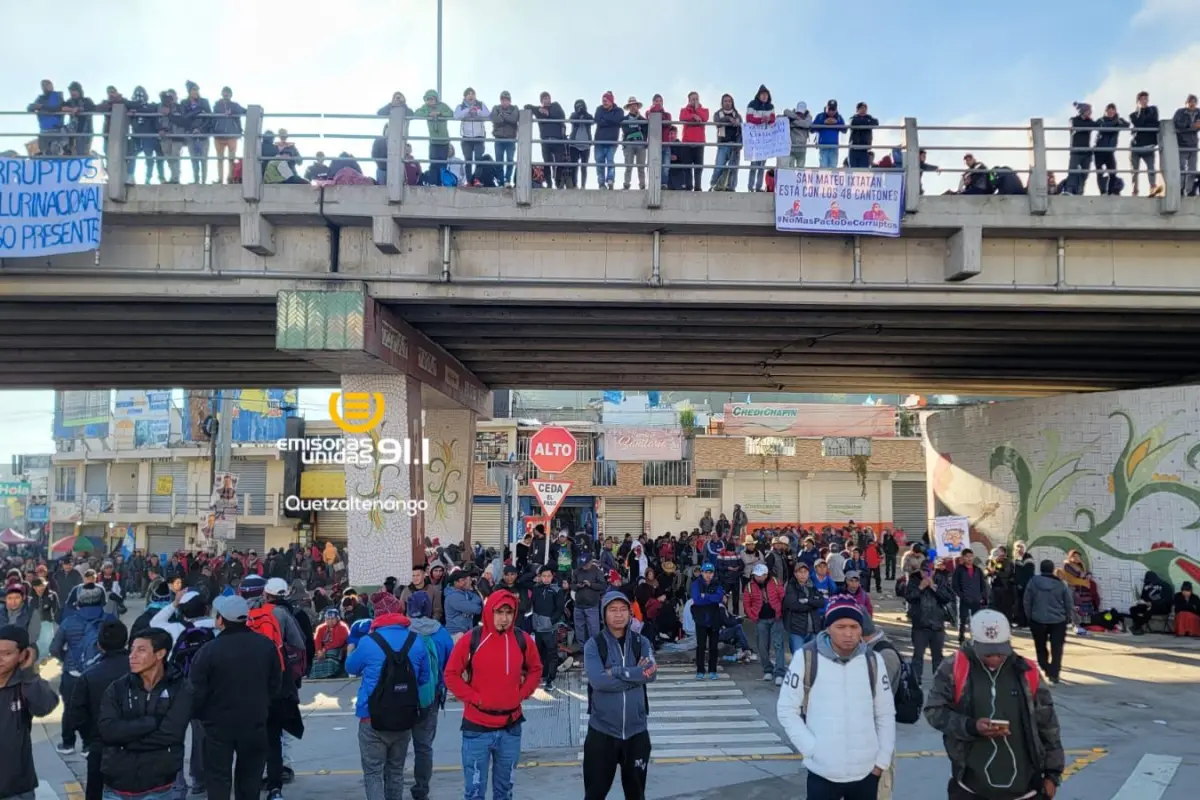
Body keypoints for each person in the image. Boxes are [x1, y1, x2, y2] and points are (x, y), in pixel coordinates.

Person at [924, 610, 1065, 799]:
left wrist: (1052, 775)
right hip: (970, 788)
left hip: (1025, 790)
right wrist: (971, 726)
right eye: (988, 653)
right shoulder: (954, 668)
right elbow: (934, 711)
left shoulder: (1026, 671)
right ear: (974, 643)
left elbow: (1048, 725)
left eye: (1001, 652)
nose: (995, 658)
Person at [776, 596, 895, 799]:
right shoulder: (806, 658)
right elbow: (787, 709)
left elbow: (885, 712)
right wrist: (811, 748)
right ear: (828, 628)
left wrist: (881, 761)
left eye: (854, 626)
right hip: (822, 773)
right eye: (841, 626)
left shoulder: (872, 661)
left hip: (866, 772)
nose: (848, 633)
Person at [443, 590, 542, 800]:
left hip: (510, 728)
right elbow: (451, 674)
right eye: (499, 612)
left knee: (504, 792)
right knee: (474, 792)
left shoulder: (522, 639)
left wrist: (522, 693)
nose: (504, 618)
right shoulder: (473, 639)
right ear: (490, 611)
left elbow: (536, 669)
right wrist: (474, 697)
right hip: (477, 730)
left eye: (509, 612)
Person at [189, 594, 283, 800]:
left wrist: (201, 716)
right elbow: (276, 684)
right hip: (255, 722)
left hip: (217, 726)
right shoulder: (265, 646)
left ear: (220, 619)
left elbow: (195, 692)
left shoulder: (208, 651)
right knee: (250, 779)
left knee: (218, 779)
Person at [344, 591, 432, 800]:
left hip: (371, 717)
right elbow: (423, 678)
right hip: (404, 716)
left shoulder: (368, 641)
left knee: (373, 773)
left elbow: (350, 667)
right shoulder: (416, 640)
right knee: (395, 771)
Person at [96, 627, 192, 800]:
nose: (132, 656)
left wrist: (124, 741)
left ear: (160, 654)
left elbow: (171, 735)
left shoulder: (181, 688)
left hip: (162, 787)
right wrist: (151, 723)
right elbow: (107, 731)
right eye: (131, 649)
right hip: (117, 787)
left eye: (141, 650)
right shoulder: (117, 688)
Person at [582, 591, 657, 800]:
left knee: (636, 794)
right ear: (603, 614)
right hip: (602, 732)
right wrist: (635, 676)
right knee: (594, 793)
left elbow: (650, 673)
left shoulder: (641, 642)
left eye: (623, 609)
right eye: (612, 610)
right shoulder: (594, 645)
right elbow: (598, 681)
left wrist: (616, 671)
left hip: (637, 732)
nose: (618, 615)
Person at [68, 621, 130, 800]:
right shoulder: (140, 671)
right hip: (138, 748)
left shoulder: (90, 675)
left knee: (96, 791)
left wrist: (91, 738)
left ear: (99, 645)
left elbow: (77, 714)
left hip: (100, 746)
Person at [51, 583, 114, 756]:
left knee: (71, 708)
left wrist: (67, 660)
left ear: (79, 600)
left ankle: (68, 743)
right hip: (100, 672)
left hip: (73, 673)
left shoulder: (69, 621)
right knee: (97, 708)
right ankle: (89, 744)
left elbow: (54, 648)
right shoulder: (109, 620)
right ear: (102, 599)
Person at [404, 591, 455, 800]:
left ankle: (392, 786)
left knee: (398, 744)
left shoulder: (402, 630)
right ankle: (421, 787)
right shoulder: (440, 632)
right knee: (424, 745)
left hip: (403, 697)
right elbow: (451, 663)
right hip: (431, 696)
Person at [0, 623, 60, 800]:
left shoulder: (25, 685)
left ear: (23, 655)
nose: (0, 659)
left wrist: (29, 674)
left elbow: (44, 707)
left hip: (17, 786)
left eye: (7, 654)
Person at [1023, 560, 1073, 684]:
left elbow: (1027, 601)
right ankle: (1054, 674)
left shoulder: (1033, 582)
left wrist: (1029, 616)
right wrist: (1067, 617)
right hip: (1058, 620)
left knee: (1040, 647)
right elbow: (1068, 602)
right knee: (1057, 648)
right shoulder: (1061, 584)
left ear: (1041, 569)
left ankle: (1046, 667)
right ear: (1052, 569)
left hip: (1037, 619)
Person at [905, 560, 953, 685]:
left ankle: (939, 683)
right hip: (920, 625)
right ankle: (915, 682)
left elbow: (947, 598)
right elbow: (909, 597)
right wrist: (920, 587)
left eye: (929, 572)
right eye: (923, 571)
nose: (926, 575)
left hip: (937, 625)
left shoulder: (940, 579)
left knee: (938, 657)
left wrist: (934, 588)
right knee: (918, 656)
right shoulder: (914, 579)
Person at [743, 563, 787, 684]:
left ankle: (779, 672)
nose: (759, 578)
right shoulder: (750, 586)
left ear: (766, 574)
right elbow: (747, 603)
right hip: (760, 619)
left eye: (761, 575)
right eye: (756, 575)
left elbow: (782, 597)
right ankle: (767, 670)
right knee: (762, 646)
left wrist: (781, 612)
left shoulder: (776, 582)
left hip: (776, 618)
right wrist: (752, 616)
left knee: (778, 645)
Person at [690, 563, 724, 680]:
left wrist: (706, 596)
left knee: (714, 646)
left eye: (710, 573)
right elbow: (697, 599)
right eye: (706, 572)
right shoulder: (696, 584)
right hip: (701, 618)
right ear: (702, 573)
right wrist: (710, 597)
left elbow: (719, 598)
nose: (708, 575)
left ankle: (713, 670)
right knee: (701, 645)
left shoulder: (717, 584)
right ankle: (700, 670)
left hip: (714, 618)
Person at [952, 549, 987, 644]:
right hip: (964, 599)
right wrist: (961, 596)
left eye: (971, 556)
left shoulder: (977, 570)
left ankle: (975, 637)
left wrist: (983, 596)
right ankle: (961, 637)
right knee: (963, 619)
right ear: (963, 558)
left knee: (976, 619)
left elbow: (982, 584)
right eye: (967, 556)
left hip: (976, 598)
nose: (969, 558)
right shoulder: (959, 570)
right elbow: (955, 585)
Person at [745, 85, 775, 192]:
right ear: (759, 95)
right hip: (754, 139)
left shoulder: (770, 106)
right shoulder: (752, 104)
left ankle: (758, 187)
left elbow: (773, 119)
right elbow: (749, 118)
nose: (764, 96)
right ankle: (750, 186)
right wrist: (761, 120)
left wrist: (769, 119)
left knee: (762, 165)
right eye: (762, 94)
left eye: (766, 94)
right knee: (754, 164)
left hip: (765, 140)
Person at [572, 552, 604, 648]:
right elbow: (572, 585)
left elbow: (603, 586)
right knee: (579, 629)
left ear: (590, 562)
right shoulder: (577, 571)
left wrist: (591, 584)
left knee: (594, 629)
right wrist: (577, 586)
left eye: (585, 565)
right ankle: (582, 648)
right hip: (578, 605)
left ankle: (594, 648)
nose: (583, 567)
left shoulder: (597, 571)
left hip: (592, 605)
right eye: (582, 565)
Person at [444, 568, 483, 641]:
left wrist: (471, 603)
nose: (466, 582)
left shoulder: (464, 592)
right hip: (456, 634)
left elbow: (477, 598)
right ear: (456, 582)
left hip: (464, 632)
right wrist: (472, 604)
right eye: (463, 580)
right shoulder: (454, 597)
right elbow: (477, 609)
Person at [1129, 569, 1173, 634]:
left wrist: (1152, 604)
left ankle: (1136, 627)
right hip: (1149, 606)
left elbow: (1166, 600)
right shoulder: (1147, 585)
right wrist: (1143, 602)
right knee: (1133, 609)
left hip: (1162, 607)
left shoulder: (1165, 586)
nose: (1150, 583)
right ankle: (1138, 627)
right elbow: (1143, 598)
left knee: (1149, 612)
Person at [490, 91, 519, 186]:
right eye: (503, 100)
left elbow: (514, 119)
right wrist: (506, 117)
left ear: (510, 101)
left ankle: (507, 179)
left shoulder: (515, 108)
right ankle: (501, 181)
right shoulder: (495, 108)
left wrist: (502, 115)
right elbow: (495, 119)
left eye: (506, 100)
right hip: (498, 139)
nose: (505, 102)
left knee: (510, 160)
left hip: (510, 139)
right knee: (499, 161)